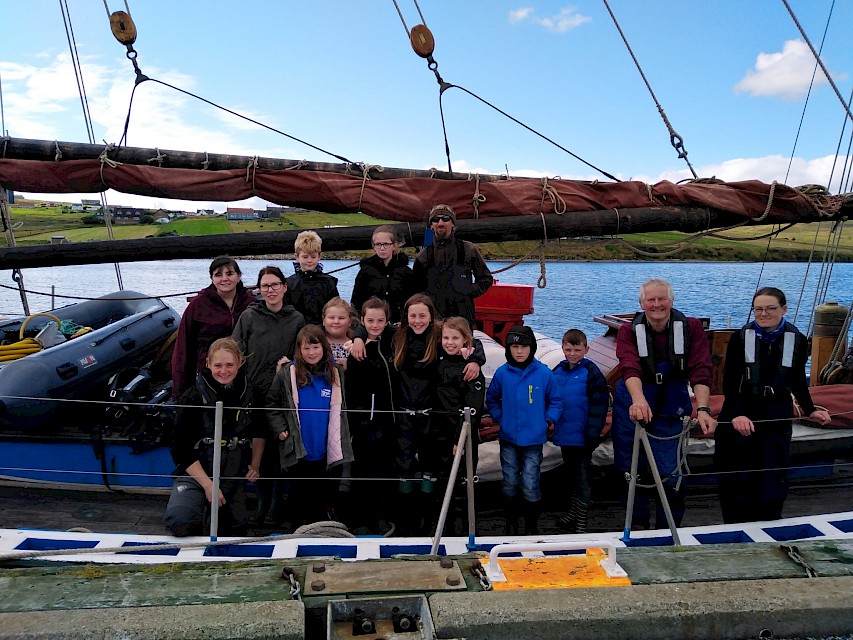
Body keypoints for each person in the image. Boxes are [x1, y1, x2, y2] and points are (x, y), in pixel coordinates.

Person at [715, 287, 831, 523]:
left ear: (783, 309)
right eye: (758, 309)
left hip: (775, 413)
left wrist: (810, 410)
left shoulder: (796, 339)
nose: (763, 313)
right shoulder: (740, 337)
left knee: (772, 477)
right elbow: (729, 382)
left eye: (770, 308)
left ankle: (769, 525)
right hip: (742, 411)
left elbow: (797, 379)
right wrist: (737, 415)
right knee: (738, 478)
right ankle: (734, 527)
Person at [611, 278, 716, 529]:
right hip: (635, 398)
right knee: (631, 469)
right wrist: (638, 400)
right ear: (642, 304)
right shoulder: (628, 331)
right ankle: (635, 529)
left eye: (662, 299)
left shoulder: (690, 328)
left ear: (671, 301)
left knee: (671, 472)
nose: (657, 305)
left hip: (672, 401)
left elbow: (701, 369)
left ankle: (668, 529)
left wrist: (702, 408)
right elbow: (629, 366)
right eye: (651, 300)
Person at [163, 338, 265, 537]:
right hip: (196, 473)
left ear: (240, 363)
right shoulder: (192, 396)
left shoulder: (252, 394)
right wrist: (209, 486)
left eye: (229, 365)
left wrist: (255, 464)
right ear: (208, 364)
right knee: (179, 521)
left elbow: (260, 430)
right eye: (218, 365)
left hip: (232, 474)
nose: (224, 371)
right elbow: (180, 449)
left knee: (235, 530)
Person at [231, 266, 305, 525]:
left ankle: (277, 507)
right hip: (255, 393)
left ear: (284, 287)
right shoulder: (249, 317)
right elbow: (235, 350)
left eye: (275, 285)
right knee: (257, 454)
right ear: (259, 290)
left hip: (283, 396)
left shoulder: (296, 319)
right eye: (265, 286)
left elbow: (305, 353)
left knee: (280, 453)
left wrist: (292, 362)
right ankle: (261, 505)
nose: (271, 290)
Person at [266, 325, 354, 528]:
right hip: (299, 447)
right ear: (299, 350)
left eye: (315, 347)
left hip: (326, 447)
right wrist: (279, 428)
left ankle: (323, 527)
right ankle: (298, 527)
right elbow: (271, 403)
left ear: (323, 347)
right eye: (306, 349)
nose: (311, 353)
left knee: (324, 492)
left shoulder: (336, 373)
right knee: (299, 493)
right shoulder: (287, 374)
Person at [485, 325, 562, 535]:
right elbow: (491, 399)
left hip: (534, 440)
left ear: (532, 348)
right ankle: (510, 523)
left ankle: (531, 526)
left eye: (524, 346)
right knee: (509, 481)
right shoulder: (502, 374)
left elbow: (556, 401)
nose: (519, 351)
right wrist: (499, 417)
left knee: (530, 481)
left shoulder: (544, 374)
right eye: (515, 346)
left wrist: (548, 420)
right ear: (508, 349)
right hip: (508, 438)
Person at [345, 297, 398, 532]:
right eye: (370, 320)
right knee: (361, 469)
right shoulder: (356, 348)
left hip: (387, 420)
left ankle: (381, 517)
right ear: (363, 320)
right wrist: (357, 337)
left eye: (380, 320)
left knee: (384, 470)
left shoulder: (393, 342)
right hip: (362, 420)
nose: (375, 325)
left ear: (387, 321)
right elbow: (351, 387)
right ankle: (358, 519)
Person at [428, 316, 486, 534]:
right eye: (446, 337)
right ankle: (444, 527)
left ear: (465, 340)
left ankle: (465, 530)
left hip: (460, 437)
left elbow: (473, 408)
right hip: (438, 431)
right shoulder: (440, 360)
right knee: (441, 482)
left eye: (455, 338)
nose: (449, 342)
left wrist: (459, 440)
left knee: (462, 484)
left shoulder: (470, 370)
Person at [551, 329, 610, 534]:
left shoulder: (591, 372)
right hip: (565, 434)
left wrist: (593, 435)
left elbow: (599, 406)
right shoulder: (557, 370)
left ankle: (581, 521)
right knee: (570, 476)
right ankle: (572, 514)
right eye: (568, 349)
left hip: (584, 436)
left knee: (583, 478)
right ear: (562, 349)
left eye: (577, 349)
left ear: (586, 349)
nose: (573, 353)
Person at [171, 256, 255, 398]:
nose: (224, 279)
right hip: (209, 373)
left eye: (230, 274)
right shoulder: (198, 305)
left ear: (238, 276)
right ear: (211, 278)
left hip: (243, 373)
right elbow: (183, 347)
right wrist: (180, 390)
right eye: (218, 275)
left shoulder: (251, 304)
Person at [412, 204, 493, 329]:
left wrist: (468, 291)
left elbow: (486, 279)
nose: (440, 223)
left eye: (445, 219)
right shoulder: (423, 256)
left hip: (463, 319)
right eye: (435, 220)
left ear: (453, 223)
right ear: (431, 225)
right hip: (434, 322)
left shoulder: (468, 249)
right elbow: (415, 290)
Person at [351, 225, 416, 324]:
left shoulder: (405, 272)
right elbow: (356, 303)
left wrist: (405, 321)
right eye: (378, 244)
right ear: (374, 246)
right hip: (372, 326)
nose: (382, 248)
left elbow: (413, 301)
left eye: (386, 244)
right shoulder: (366, 272)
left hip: (398, 325)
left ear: (394, 245)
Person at [286, 230, 340, 326]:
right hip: (298, 331)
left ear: (319, 256)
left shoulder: (329, 282)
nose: (309, 260)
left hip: (323, 331)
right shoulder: (289, 284)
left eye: (313, 257)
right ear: (297, 257)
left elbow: (336, 309)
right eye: (305, 257)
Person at [322, 297, 355, 368]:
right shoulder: (318, 343)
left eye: (341, 318)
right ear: (324, 320)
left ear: (350, 322)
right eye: (331, 317)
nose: (336, 321)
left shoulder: (355, 345)